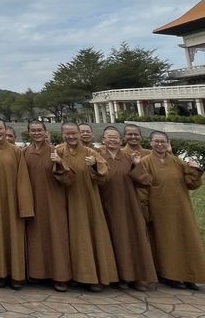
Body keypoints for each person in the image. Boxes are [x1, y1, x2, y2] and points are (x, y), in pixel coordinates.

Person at [55, 122, 117, 292]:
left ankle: (93, 276)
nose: (71, 137)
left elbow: (104, 177)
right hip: (65, 201)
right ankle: (67, 276)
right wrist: (60, 164)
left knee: (89, 236)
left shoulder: (91, 152)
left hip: (88, 201)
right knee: (66, 238)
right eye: (67, 134)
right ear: (62, 135)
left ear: (79, 134)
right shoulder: (59, 151)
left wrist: (95, 166)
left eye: (74, 133)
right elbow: (57, 176)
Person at [140, 131, 205, 289]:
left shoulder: (177, 162)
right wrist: (145, 209)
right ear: (151, 143)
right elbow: (142, 188)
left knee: (187, 241)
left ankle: (190, 275)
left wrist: (195, 170)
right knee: (167, 244)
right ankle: (171, 276)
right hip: (160, 209)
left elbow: (192, 184)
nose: (159, 144)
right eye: (156, 141)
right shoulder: (145, 162)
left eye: (163, 141)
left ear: (168, 143)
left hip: (181, 208)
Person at [98, 126, 156, 291]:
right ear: (103, 140)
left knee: (132, 239)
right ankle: (117, 277)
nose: (112, 140)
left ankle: (136, 277)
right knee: (111, 240)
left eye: (115, 137)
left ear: (121, 140)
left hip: (128, 205)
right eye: (109, 137)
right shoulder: (99, 157)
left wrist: (137, 165)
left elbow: (145, 181)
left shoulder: (129, 158)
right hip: (106, 204)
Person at [0, 118, 33, 290]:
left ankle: (17, 275)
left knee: (14, 237)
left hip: (12, 202)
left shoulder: (16, 151)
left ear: (5, 130)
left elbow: (23, 178)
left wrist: (24, 205)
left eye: (0, 128)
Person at [22, 120, 73, 291]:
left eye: (39, 130)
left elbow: (68, 178)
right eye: (33, 130)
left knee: (56, 237)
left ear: (45, 132)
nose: (36, 133)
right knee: (35, 238)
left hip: (53, 201)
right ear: (29, 132)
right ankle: (36, 273)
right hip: (33, 201)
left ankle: (60, 276)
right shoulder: (24, 153)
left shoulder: (56, 151)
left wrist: (59, 162)